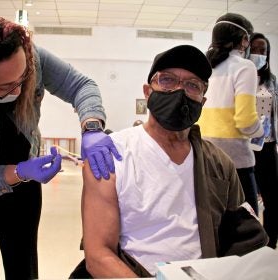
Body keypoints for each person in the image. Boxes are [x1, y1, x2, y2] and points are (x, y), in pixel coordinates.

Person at [0, 13, 121, 280]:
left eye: (23, 78)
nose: (19, 89)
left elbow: (81, 85)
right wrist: (21, 171)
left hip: (22, 193)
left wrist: (92, 127)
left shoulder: (30, 57)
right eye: (6, 86)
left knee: (23, 269)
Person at [70, 45, 268, 278]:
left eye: (192, 85)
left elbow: (243, 239)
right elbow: (99, 256)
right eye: (167, 80)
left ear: (202, 101)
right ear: (147, 91)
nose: (179, 90)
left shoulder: (219, 164)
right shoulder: (110, 155)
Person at [197, 13, 266, 215]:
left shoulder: (205, 66)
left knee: (213, 221)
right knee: (247, 225)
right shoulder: (245, 67)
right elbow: (245, 121)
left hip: (204, 154)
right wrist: (260, 129)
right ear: (244, 40)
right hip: (235, 160)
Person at [249, 32, 278, 249]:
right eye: (255, 49)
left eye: (264, 51)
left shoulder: (271, 80)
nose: (260, 54)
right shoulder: (240, 76)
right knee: (247, 201)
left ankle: (270, 244)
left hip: (267, 146)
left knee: (273, 201)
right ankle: (249, 244)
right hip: (244, 147)